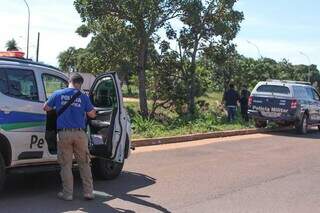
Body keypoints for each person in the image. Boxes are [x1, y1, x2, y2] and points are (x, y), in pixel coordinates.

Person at [43, 73, 96, 201]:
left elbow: (46, 107)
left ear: (69, 81)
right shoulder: (83, 96)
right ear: (80, 84)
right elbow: (92, 114)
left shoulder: (58, 93)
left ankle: (67, 194)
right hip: (80, 134)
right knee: (84, 163)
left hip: (64, 134)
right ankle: (88, 193)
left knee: (66, 164)